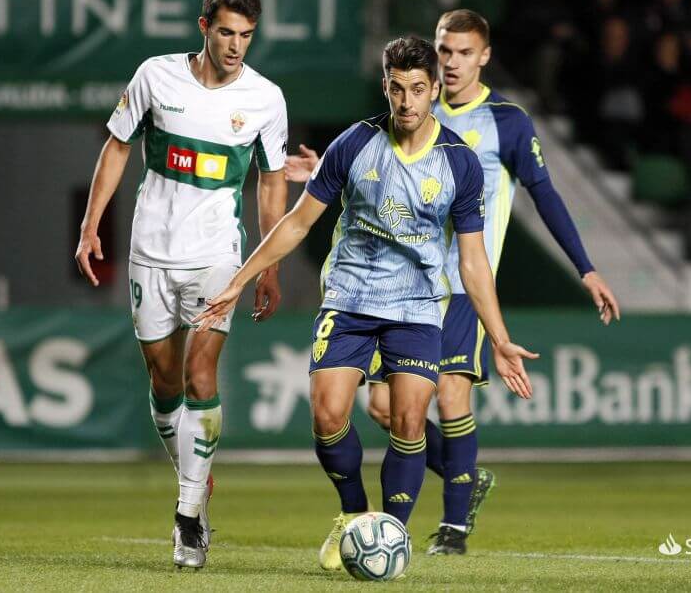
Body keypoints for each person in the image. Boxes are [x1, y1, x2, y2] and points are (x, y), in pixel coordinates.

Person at [194, 35, 538, 571]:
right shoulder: (354, 144)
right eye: (397, 89)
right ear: (385, 86)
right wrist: (241, 280)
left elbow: (472, 262)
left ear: (432, 92)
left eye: (418, 90)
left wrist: (499, 338)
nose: (406, 102)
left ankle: (391, 535)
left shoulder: (459, 163)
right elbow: (299, 222)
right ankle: (353, 515)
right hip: (350, 299)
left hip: (420, 307)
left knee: (406, 420)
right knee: (328, 413)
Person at [285, 10, 620, 557]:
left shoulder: (506, 122)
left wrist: (585, 267)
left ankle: (453, 526)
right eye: (445, 50)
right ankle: (461, 477)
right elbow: (385, 176)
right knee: (382, 410)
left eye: (464, 52)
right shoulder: (414, 102)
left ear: (484, 56)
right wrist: (327, 167)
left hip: (464, 283)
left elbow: (546, 195)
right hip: (398, 284)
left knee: (451, 394)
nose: (453, 61)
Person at [74, 0, 288, 570]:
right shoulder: (155, 76)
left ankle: (188, 515)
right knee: (164, 381)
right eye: (226, 32)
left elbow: (272, 180)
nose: (236, 45)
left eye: (246, 35)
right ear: (204, 27)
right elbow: (117, 146)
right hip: (150, 251)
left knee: (200, 373)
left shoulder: (266, 99)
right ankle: (196, 472)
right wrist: (92, 224)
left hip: (219, 255)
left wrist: (267, 264)